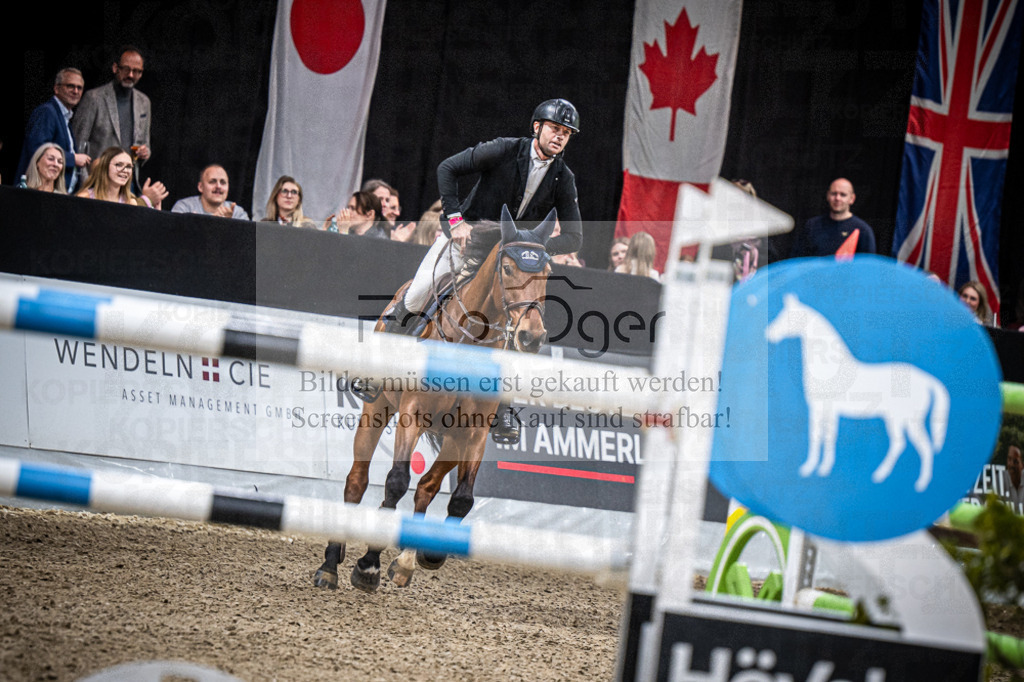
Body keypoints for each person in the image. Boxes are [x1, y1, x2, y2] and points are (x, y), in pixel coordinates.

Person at [358, 99, 583, 444]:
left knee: (515, 327)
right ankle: (374, 371)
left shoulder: (562, 177)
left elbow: (574, 237)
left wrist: (533, 248)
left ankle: (503, 408)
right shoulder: (504, 150)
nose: (560, 137)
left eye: (566, 134)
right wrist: (455, 220)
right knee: (419, 292)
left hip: (507, 260)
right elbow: (447, 168)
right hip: (469, 242)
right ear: (537, 127)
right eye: (555, 129)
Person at [71, 46, 152, 185]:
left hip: (128, 183)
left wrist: (145, 153)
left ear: (141, 73)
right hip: (97, 182)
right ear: (115, 68)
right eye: (126, 69)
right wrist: (86, 184)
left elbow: (145, 144)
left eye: (136, 71)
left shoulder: (144, 102)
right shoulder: (94, 98)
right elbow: (78, 145)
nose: (131, 75)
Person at [15, 68, 91, 192]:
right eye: (70, 86)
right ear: (56, 88)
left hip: (58, 193)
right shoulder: (47, 112)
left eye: (79, 88)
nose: (75, 91)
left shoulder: (65, 117)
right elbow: (37, 149)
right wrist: (73, 159)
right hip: (37, 193)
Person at [790, 178, 876, 257]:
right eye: (834, 193)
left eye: (843, 195)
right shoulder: (812, 225)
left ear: (852, 199)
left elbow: (867, 266)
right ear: (827, 195)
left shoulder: (863, 230)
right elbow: (798, 259)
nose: (837, 198)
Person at [75, 146, 166, 208]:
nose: (125, 170)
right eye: (119, 165)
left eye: (129, 167)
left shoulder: (131, 203)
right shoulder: (85, 198)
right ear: (105, 167)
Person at [171, 165, 250, 219]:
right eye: (212, 181)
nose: (218, 186)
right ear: (200, 187)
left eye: (223, 182)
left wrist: (229, 224)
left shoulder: (237, 213)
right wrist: (211, 223)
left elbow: (248, 241)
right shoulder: (184, 207)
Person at [323, 191, 389, 238]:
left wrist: (343, 232)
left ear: (370, 214)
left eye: (353, 208)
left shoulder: (379, 239)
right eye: (348, 208)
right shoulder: (349, 233)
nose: (347, 212)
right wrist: (325, 233)